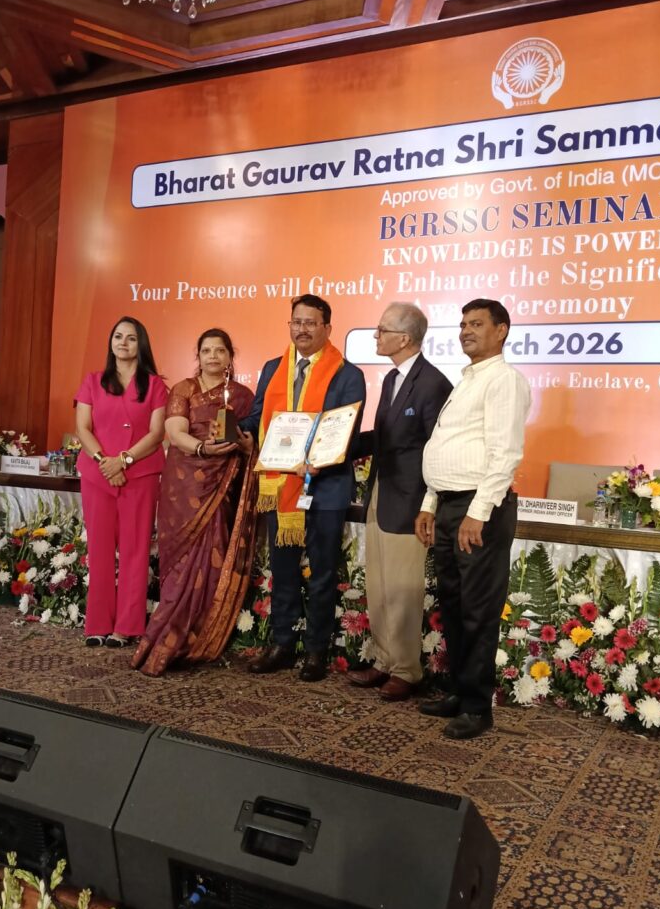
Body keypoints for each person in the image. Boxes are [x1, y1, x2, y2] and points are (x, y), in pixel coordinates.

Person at [417, 298, 531, 739]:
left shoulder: (504, 380)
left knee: (478, 611)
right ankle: (460, 691)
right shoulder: (467, 380)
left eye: (477, 324)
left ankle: (478, 707)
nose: (466, 331)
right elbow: (445, 449)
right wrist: (430, 503)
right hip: (449, 503)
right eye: (463, 324)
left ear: (501, 331)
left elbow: (505, 455)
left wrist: (477, 514)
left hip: (480, 509)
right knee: (452, 604)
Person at [241, 294, 366, 682]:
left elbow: (347, 430)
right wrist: (244, 432)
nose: (302, 329)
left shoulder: (347, 374)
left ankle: (315, 651)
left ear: (327, 328)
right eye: (296, 322)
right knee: (283, 571)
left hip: (325, 487)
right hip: (280, 484)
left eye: (311, 323)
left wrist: (319, 458)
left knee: (322, 573)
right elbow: (259, 416)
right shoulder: (273, 368)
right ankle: (281, 644)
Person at [130, 329, 258, 676]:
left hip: (221, 485)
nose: (213, 356)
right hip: (184, 484)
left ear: (230, 356)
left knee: (212, 557)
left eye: (220, 350)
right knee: (181, 565)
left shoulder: (244, 397)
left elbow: (250, 440)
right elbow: (175, 433)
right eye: (206, 351)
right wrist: (203, 449)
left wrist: (243, 446)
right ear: (198, 356)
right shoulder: (183, 389)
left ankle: (197, 642)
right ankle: (163, 640)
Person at [348, 304, 452, 702]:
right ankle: (384, 659)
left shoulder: (433, 383)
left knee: (403, 590)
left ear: (404, 338)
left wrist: (429, 503)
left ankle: (407, 670)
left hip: (411, 502)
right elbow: (384, 438)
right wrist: (338, 446)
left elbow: (436, 449)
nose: (376, 336)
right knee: (379, 586)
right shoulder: (393, 377)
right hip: (381, 492)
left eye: (382, 330)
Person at [75, 317, 167, 648]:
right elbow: (82, 428)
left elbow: (157, 433)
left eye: (130, 338)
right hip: (97, 475)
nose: (123, 343)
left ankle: (127, 627)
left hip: (139, 475)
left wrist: (124, 461)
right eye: (118, 336)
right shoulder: (93, 381)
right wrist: (105, 462)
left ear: (140, 344)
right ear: (110, 342)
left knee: (135, 551)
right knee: (99, 550)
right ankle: (97, 623)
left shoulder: (155, 385)